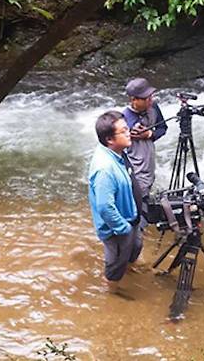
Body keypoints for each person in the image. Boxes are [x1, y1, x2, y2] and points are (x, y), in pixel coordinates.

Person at [88, 111, 143, 292]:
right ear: (110, 139)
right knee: (114, 267)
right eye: (124, 131)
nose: (129, 132)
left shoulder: (117, 153)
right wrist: (123, 229)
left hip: (130, 217)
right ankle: (112, 292)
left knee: (135, 247)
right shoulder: (105, 169)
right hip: (117, 229)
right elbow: (105, 207)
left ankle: (128, 269)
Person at [122, 77, 168, 205]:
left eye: (151, 96)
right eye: (146, 98)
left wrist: (149, 134)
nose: (150, 101)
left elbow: (162, 128)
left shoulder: (153, 107)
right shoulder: (124, 119)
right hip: (135, 170)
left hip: (149, 166)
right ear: (133, 100)